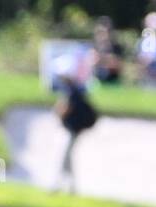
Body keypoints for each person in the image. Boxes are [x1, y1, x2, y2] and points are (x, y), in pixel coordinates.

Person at [53, 61, 98, 194]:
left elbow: (66, 109)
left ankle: (60, 184)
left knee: (66, 157)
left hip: (74, 129)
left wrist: (59, 113)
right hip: (74, 129)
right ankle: (71, 186)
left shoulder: (72, 91)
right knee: (67, 157)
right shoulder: (75, 89)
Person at [89, 17, 125, 85]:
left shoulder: (116, 47)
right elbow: (92, 62)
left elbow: (118, 65)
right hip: (97, 77)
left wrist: (103, 59)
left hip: (112, 78)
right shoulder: (95, 46)